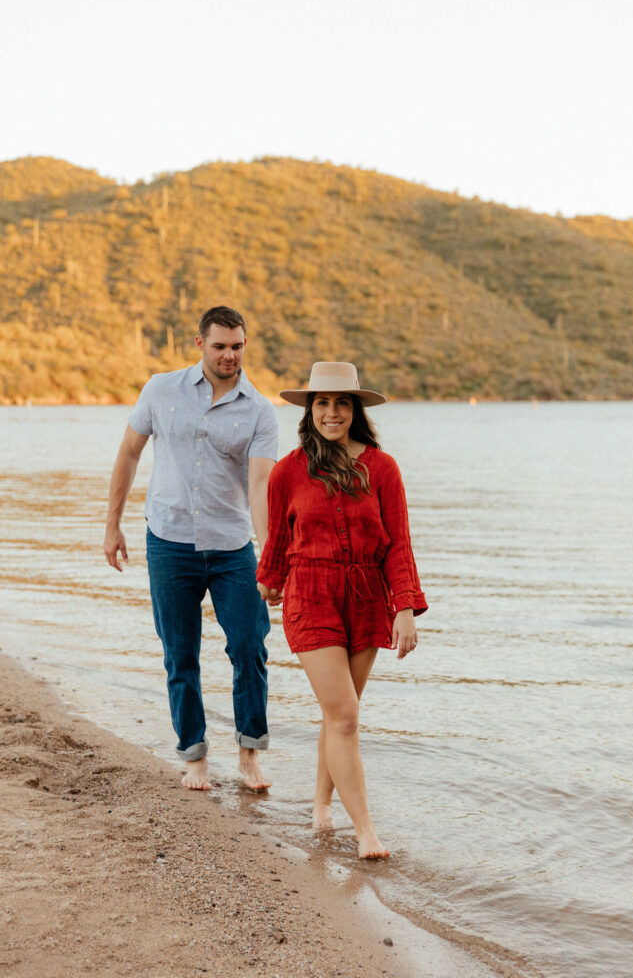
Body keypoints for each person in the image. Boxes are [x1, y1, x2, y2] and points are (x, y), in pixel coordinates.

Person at [256, 362, 427, 858]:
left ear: (356, 410)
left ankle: (320, 805)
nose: (332, 412)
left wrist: (405, 608)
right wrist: (267, 583)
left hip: (367, 597)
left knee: (338, 717)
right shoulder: (288, 470)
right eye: (323, 403)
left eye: (342, 403)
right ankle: (365, 831)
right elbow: (279, 541)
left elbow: (398, 545)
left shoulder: (383, 467)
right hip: (310, 595)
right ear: (310, 410)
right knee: (346, 714)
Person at [103, 306, 277, 792]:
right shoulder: (161, 389)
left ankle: (249, 754)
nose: (229, 355)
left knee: (249, 647)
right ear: (199, 343)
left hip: (232, 546)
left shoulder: (259, 411)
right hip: (168, 541)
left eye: (237, 346)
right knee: (180, 654)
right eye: (220, 345)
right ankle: (194, 756)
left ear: (245, 345)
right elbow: (129, 453)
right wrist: (112, 525)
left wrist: (270, 558)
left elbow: (261, 485)